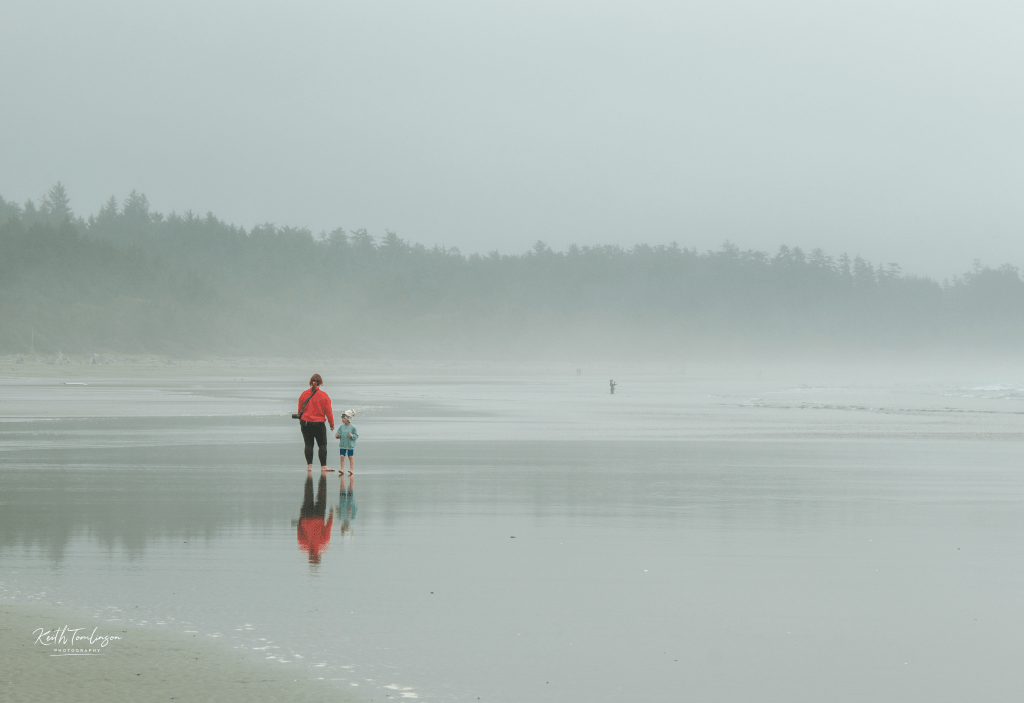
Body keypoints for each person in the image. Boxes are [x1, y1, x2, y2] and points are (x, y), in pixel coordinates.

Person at [298, 374, 335, 473]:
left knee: (308, 444)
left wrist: (301, 421)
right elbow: (329, 412)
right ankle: (323, 466)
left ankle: (309, 466)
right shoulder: (324, 396)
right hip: (319, 424)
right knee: (322, 445)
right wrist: (331, 424)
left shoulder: (304, 394)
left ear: (310, 383)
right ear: (321, 383)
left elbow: (299, 410)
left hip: (305, 422)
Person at [335, 409, 358, 474]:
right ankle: (342, 469)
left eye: (344, 418)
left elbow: (356, 436)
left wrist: (352, 436)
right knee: (342, 456)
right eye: (342, 418)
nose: (343, 420)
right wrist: (337, 436)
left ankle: (351, 469)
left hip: (350, 445)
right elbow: (338, 434)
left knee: (350, 456)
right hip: (342, 445)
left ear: (348, 418)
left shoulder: (353, 427)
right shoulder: (341, 427)